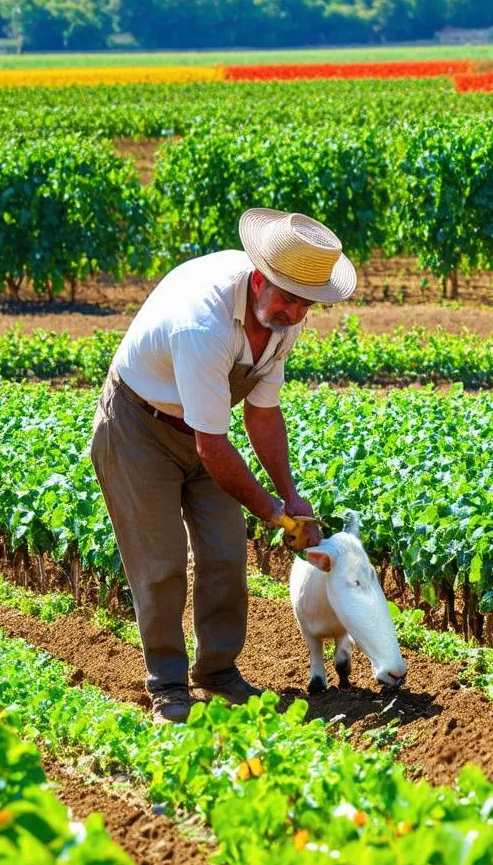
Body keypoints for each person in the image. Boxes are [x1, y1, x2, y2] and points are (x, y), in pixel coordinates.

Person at [91, 207, 356, 723]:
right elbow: (214, 447)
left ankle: (215, 670)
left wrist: (290, 493)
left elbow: (261, 410)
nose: (295, 313)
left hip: (203, 431)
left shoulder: (283, 320)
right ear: (260, 280)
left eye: (306, 304)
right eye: (287, 298)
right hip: (139, 427)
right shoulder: (203, 322)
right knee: (162, 564)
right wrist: (274, 514)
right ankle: (167, 684)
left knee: (226, 555)